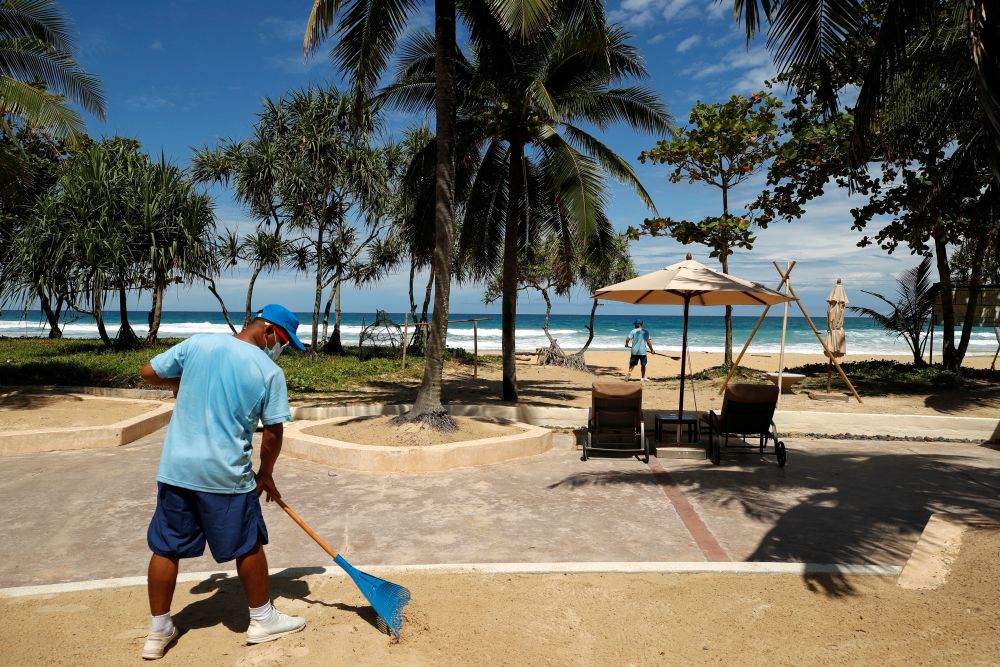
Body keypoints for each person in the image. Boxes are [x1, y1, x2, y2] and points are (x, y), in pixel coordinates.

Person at [138, 304, 308, 660]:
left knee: (166, 547)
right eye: (285, 342)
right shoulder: (268, 371)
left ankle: (159, 631)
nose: (283, 349)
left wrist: (179, 383)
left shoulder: (198, 344)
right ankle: (262, 619)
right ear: (270, 333)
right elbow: (274, 432)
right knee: (247, 544)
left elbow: (148, 371)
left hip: (176, 469)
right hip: (224, 474)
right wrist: (266, 474)